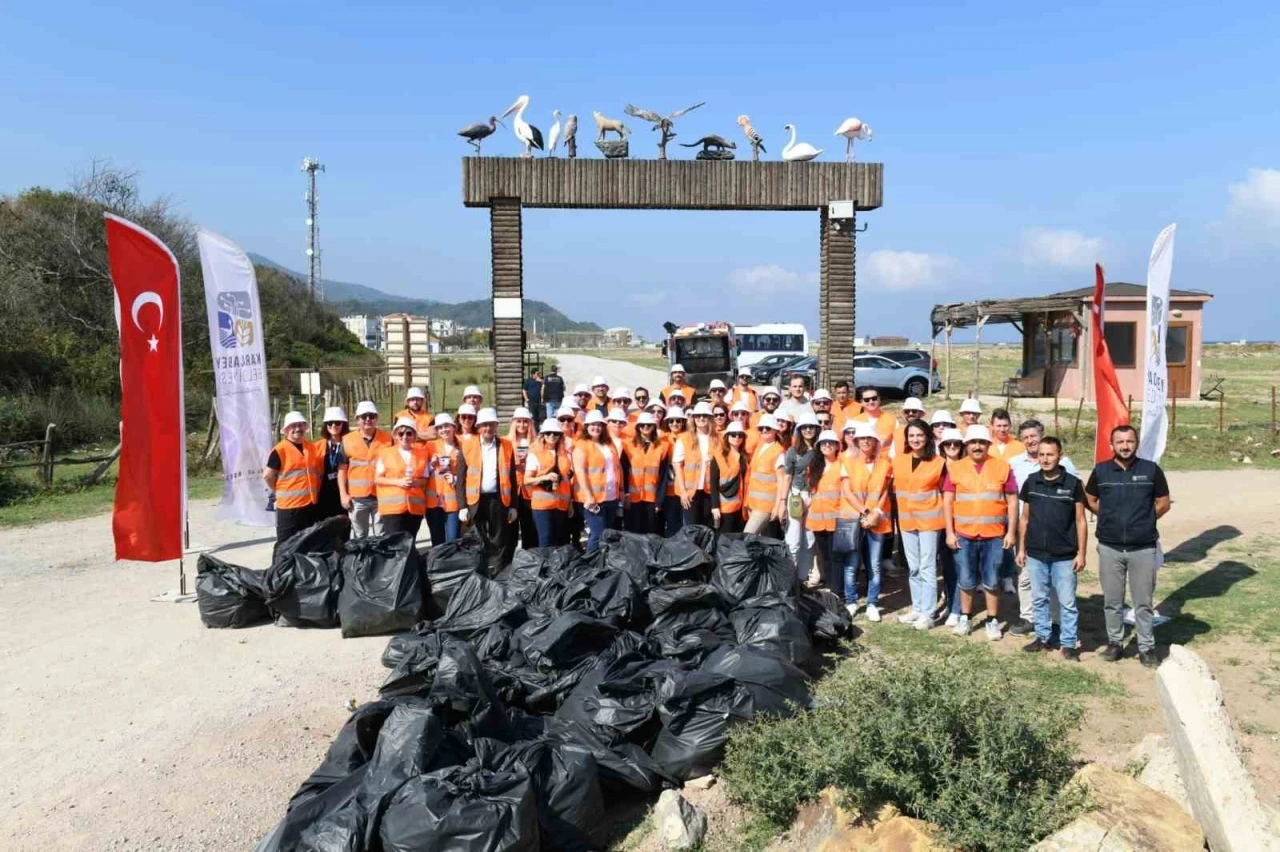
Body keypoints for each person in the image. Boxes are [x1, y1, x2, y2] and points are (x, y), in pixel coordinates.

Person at [1085, 424, 1171, 668]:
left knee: (1143, 602)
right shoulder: (1101, 471)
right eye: (1120, 442)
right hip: (1110, 547)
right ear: (1112, 445)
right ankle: (1115, 643)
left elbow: (1163, 503)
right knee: (1112, 601)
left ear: (1136, 443)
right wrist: (1108, 517)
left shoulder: (1151, 470)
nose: (1125, 446)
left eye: (1129, 441)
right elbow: (1090, 499)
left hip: (1142, 548)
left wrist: (1144, 522)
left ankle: (1146, 648)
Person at [943, 425, 1018, 641]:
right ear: (966, 445)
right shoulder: (956, 468)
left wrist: (1010, 533)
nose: (977, 446)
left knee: (992, 579)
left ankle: (992, 620)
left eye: (981, 442)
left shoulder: (1002, 467)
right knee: (965, 579)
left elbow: (1012, 502)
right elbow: (948, 501)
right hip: (964, 535)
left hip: (994, 535)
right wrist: (949, 532)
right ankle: (965, 617)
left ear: (988, 444)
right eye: (973, 442)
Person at [1017, 436, 1086, 661]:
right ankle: (1043, 638)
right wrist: (1021, 549)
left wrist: (1081, 553)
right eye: (1042, 454)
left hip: (1064, 555)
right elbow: (1024, 518)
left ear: (1060, 456)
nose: (1045, 459)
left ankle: (1068, 643)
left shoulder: (1073, 484)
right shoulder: (1031, 481)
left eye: (1050, 454)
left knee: (1067, 602)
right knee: (1039, 598)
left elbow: (1080, 521)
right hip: (1036, 553)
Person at [1007, 419, 1078, 636]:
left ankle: (1056, 621)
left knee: (1056, 580)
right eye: (1025, 437)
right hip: (1025, 528)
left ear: (1041, 436)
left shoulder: (1065, 463)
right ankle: (1029, 618)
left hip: (1057, 532)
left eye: (1033, 436)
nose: (1030, 441)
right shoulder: (1014, 463)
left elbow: (1076, 496)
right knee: (1026, 577)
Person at [893, 419, 946, 629]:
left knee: (927, 566)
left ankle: (929, 612)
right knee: (913, 567)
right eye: (912, 435)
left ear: (927, 437)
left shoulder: (938, 462)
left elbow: (944, 491)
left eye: (920, 435)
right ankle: (917, 607)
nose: (915, 439)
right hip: (907, 520)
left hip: (930, 520)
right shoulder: (899, 461)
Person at [840, 422, 893, 621]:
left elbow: (885, 490)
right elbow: (847, 491)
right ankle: (851, 601)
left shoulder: (885, 463)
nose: (865, 442)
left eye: (869, 439)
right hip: (854, 519)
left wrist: (876, 512)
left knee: (875, 564)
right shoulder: (848, 462)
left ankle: (872, 603)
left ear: (875, 442)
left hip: (877, 520)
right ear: (856, 441)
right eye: (862, 439)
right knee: (852, 563)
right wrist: (865, 512)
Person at [462, 407, 519, 571]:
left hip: (498, 498)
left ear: (496, 426)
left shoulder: (506, 446)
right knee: (476, 536)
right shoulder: (468, 445)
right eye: (484, 425)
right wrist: (462, 506)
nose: (488, 428)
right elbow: (462, 478)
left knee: (499, 536)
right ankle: (478, 568)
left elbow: (513, 478)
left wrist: (513, 506)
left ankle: (498, 569)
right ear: (479, 427)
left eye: (491, 425)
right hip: (476, 500)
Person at [264, 411, 323, 557]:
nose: (297, 429)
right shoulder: (280, 450)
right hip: (289, 507)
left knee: (306, 542)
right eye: (293, 426)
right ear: (286, 430)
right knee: (285, 544)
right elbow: (268, 475)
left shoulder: (311, 447)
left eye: (300, 425)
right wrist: (278, 491)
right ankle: (278, 575)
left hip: (309, 505)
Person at [374, 416, 433, 539]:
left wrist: (414, 483)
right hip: (392, 509)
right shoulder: (386, 453)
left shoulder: (422, 454)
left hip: (414, 508)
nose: (404, 437)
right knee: (395, 545)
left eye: (409, 433)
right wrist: (398, 482)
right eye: (401, 433)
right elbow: (378, 479)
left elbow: (425, 479)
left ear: (414, 436)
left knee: (410, 543)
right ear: (395, 435)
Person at [340, 400, 392, 538]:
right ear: (357, 420)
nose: (368, 419)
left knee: (381, 535)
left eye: (371, 416)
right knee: (360, 535)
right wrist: (343, 494)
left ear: (377, 418)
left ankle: (379, 560)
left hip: (381, 495)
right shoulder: (347, 440)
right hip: (357, 498)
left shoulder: (388, 439)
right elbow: (342, 470)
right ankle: (361, 560)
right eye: (364, 416)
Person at [779, 411, 821, 585]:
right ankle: (790, 578)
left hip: (816, 496)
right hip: (796, 496)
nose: (809, 430)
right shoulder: (792, 451)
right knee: (793, 540)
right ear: (800, 429)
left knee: (809, 540)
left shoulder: (822, 449)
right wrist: (781, 502)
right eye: (805, 427)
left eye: (812, 427)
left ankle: (803, 578)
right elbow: (787, 477)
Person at [573, 410, 623, 550]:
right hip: (593, 499)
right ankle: (591, 565)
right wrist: (589, 496)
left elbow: (617, 468)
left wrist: (621, 491)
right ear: (586, 426)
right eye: (593, 424)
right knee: (597, 534)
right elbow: (580, 472)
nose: (596, 427)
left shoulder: (608, 444)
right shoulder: (581, 445)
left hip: (611, 497)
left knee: (607, 534)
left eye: (599, 425)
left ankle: (603, 564)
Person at [806, 430, 846, 602]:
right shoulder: (815, 467)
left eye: (831, 443)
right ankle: (831, 588)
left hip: (836, 519)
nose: (827, 446)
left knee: (836, 557)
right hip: (817, 520)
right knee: (826, 557)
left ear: (837, 445)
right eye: (824, 443)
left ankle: (839, 591)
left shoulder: (842, 465)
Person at [525, 418, 572, 547]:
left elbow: (567, 482)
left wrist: (570, 504)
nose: (552, 436)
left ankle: (555, 567)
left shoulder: (566, 455)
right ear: (543, 435)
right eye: (548, 433)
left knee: (558, 540)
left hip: (561, 505)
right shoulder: (535, 454)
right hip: (542, 506)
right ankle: (545, 566)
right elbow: (526, 480)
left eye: (555, 433)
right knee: (545, 539)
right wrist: (544, 478)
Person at [936, 428, 966, 625]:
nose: (952, 447)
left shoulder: (966, 467)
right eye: (948, 444)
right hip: (938, 522)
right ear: (942, 447)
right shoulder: (936, 466)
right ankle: (950, 604)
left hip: (961, 522)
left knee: (959, 567)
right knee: (946, 567)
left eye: (956, 443)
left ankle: (958, 608)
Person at [675, 401, 719, 528]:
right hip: (690, 493)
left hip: (709, 491)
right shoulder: (684, 438)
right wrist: (683, 491)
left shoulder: (717, 438)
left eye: (704, 415)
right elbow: (678, 465)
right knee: (692, 528)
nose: (701, 418)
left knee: (706, 528)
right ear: (693, 418)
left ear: (710, 418)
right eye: (698, 416)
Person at [624, 412, 668, 534]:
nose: (645, 427)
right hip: (633, 499)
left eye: (649, 425)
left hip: (651, 499)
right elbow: (623, 470)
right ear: (638, 427)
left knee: (650, 531)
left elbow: (663, 477)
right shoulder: (629, 446)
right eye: (642, 425)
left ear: (654, 426)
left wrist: (659, 500)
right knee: (633, 532)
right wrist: (626, 493)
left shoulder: (662, 447)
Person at [744, 413, 785, 536]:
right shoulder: (760, 447)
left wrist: (777, 506)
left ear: (775, 430)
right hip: (753, 503)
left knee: (747, 536)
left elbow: (782, 481)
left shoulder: (779, 452)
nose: (764, 431)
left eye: (768, 428)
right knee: (760, 541)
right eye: (761, 428)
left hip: (765, 505)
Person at [426, 413, 464, 545]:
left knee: (453, 539)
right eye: (440, 427)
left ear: (453, 427)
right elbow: (422, 472)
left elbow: (471, 474)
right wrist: (431, 464)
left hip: (453, 501)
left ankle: (451, 564)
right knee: (437, 540)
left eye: (447, 426)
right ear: (436, 430)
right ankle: (437, 565)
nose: (444, 430)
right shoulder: (430, 446)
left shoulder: (463, 446)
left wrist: (455, 478)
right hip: (433, 502)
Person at [507, 407, 538, 549]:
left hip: (530, 490)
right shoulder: (506, 441)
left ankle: (530, 557)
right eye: (518, 421)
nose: (522, 425)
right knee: (511, 526)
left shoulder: (536, 442)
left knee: (529, 526)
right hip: (512, 489)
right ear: (513, 423)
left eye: (525, 422)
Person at [710, 421, 748, 533]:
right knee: (724, 541)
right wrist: (715, 506)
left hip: (742, 508)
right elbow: (713, 484)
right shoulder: (718, 457)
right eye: (733, 434)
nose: (737, 437)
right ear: (727, 437)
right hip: (725, 508)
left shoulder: (745, 457)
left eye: (740, 435)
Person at [315, 406, 350, 521]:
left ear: (343, 424)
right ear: (326, 426)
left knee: (344, 527)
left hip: (345, 492)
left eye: (337, 423)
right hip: (324, 494)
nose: (334, 426)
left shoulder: (350, 443)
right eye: (330, 423)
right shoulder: (317, 446)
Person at [660, 406, 688, 536]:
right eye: (671, 421)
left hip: (685, 488)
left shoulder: (689, 438)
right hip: (669, 490)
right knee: (671, 523)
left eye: (678, 421)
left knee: (685, 524)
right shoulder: (663, 438)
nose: (675, 424)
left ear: (683, 422)